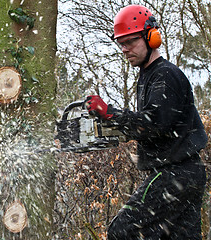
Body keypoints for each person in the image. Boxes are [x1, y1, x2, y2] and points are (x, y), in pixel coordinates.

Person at [85, 5, 208, 240]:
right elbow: (154, 125)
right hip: (185, 172)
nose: (124, 49)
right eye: (120, 43)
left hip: (173, 172)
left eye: (130, 41)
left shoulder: (165, 75)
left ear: (151, 37)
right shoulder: (149, 76)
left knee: (122, 231)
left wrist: (110, 113)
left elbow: (153, 123)